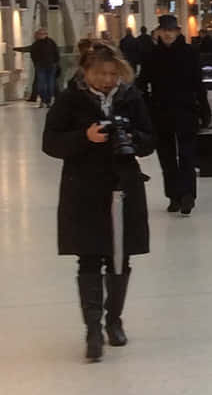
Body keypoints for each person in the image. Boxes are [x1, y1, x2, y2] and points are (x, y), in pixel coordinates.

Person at [42, 41, 154, 362]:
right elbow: (50, 143)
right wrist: (84, 137)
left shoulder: (131, 98)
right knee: (89, 256)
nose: (107, 79)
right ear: (86, 72)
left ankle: (113, 321)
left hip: (123, 187)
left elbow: (150, 139)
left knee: (120, 256)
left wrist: (132, 139)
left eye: (112, 73)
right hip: (84, 189)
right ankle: (92, 329)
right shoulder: (69, 100)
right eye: (101, 73)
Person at [138, 12, 210, 215]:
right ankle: (173, 196)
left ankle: (188, 195)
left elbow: (198, 83)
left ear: (177, 32)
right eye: (165, 31)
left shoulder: (189, 53)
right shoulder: (151, 55)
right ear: (159, 32)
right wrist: (144, 107)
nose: (168, 34)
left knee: (186, 155)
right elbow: (142, 83)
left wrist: (204, 108)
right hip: (160, 112)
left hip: (186, 110)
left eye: (171, 30)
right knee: (167, 157)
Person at [27, 26, 61, 107]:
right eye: (40, 34)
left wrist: (55, 62)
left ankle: (47, 100)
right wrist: (37, 63)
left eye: (43, 34)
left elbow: (56, 53)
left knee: (49, 84)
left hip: (50, 66)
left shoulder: (50, 42)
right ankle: (44, 99)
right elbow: (33, 55)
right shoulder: (36, 44)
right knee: (42, 84)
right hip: (41, 66)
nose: (42, 35)